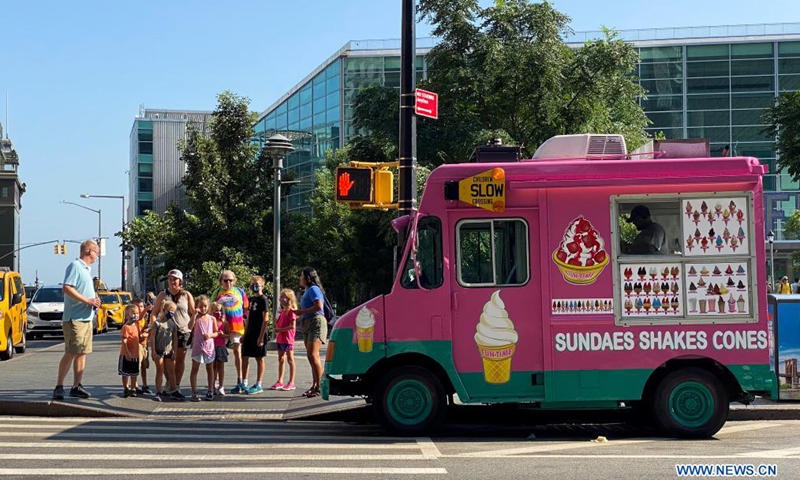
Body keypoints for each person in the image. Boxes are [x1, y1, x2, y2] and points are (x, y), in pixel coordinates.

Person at [53, 240, 102, 400]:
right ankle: (59, 386)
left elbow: (83, 291)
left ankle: (76, 385)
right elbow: (67, 287)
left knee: (82, 352)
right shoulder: (75, 266)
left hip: (86, 318)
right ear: (89, 251)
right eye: (97, 252)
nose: (98, 255)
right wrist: (87, 301)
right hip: (75, 318)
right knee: (72, 351)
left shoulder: (87, 270)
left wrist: (94, 299)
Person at [151, 269, 195, 399]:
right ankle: (170, 384)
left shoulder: (186, 295)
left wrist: (193, 328)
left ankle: (175, 385)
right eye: (170, 278)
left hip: (183, 330)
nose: (172, 281)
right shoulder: (162, 295)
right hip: (166, 331)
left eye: (175, 279)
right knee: (168, 359)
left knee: (180, 359)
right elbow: (154, 313)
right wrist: (154, 326)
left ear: (180, 281)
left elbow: (193, 312)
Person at [293, 267, 328, 398]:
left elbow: (319, 306)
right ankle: (315, 385)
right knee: (310, 356)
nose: (299, 278)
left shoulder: (314, 289)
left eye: (301, 276)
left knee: (313, 355)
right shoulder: (307, 290)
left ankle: (320, 386)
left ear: (307, 277)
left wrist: (301, 312)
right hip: (308, 323)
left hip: (316, 322)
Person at [213, 270, 249, 393]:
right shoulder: (217, 293)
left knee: (237, 352)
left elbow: (246, 309)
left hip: (237, 326)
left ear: (234, 280)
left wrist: (249, 324)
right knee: (218, 354)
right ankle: (215, 381)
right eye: (225, 280)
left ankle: (240, 379)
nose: (228, 282)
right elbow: (211, 309)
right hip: (220, 327)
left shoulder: (240, 291)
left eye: (231, 280)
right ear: (221, 281)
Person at [242, 276, 270, 395]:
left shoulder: (263, 300)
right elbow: (248, 317)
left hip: (259, 332)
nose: (255, 286)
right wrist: (245, 333)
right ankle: (244, 382)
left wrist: (261, 336)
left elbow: (266, 319)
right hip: (250, 332)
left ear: (262, 286)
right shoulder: (251, 299)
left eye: (257, 284)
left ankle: (259, 383)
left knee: (259, 358)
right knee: (245, 356)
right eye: (253, 283)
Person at [150, 300, 181, 402]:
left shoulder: (172, 324)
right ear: (164, 310)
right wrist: (153, 351)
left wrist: (174, 352)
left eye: (173, 311)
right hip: (159, 351)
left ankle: (174, 390)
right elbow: (153, 337)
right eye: (170, 311)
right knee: (160, 371)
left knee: (171, 371)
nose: (171, 313)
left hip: (169, 351)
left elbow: (175, 339)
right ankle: (158, 391)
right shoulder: (157, 323)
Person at [189, 295, 218, 401]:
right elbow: (189, 327)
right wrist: (194, 315)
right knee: (194, 369)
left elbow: (216, 332)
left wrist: (211, 335)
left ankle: (210, 390)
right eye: (201, 306)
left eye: (205, 306)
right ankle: (194, 392)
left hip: (209, 347)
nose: (203, 309)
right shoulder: (196, 318)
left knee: (210, 369)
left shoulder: (212, 318)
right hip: (198, 347)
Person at [271, 288, 298, 391]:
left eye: (283, 297)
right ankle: (280, 380)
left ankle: (291, 381)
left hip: (288, 339)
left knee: (290, 359)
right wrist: (276, 322)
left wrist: (280, 330)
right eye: (280, 297)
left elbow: (292, 326)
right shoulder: (281, 311)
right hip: (280, 339)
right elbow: (277, 325)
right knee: (281, 359)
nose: (281, 299)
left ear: (289, 299)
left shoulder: (291, 312)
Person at [131, 297, 151, 395]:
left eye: (142, 306)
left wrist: (148, 332)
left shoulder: (145, 318)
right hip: (137, 345)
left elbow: (147, 328)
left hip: (144, 344)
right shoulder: (135, 318)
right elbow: (139, 318)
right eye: (137, 307)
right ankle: (134, 385)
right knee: (136, 366)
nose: (140, 309)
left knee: (144, 365)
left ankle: (145, 384)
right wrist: (146, 309)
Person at [119, 305, 140, 397]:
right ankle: (126, 388)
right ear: (127, 315)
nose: (135, 315)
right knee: (125, 373)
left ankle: (133, 388)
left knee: (134, 373)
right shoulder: (126, 327)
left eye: (137, 313)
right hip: (126, 354)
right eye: (133, 313)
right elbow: (124, 341)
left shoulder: (136, 326)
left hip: (135, 354)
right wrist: (127, 353)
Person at [210, 302, 229, 396]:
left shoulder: (224, 323)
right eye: (216, 311)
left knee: (221, 367)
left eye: (220, 311)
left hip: (221, 346)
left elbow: (228, 335)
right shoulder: (210, 322)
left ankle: (221, 386)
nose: (218, 313)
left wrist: (223, 335)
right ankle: (212, 385)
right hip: (212, 347)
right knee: (212, 367)